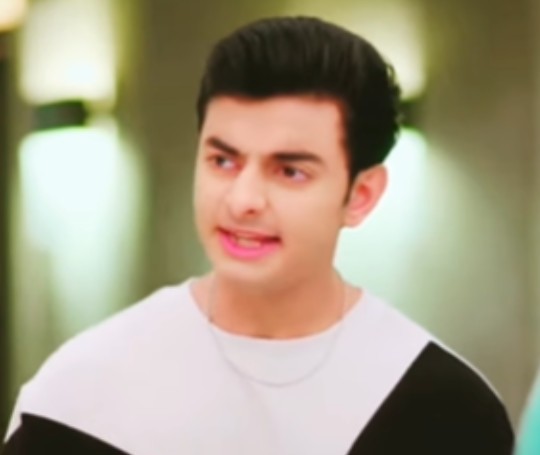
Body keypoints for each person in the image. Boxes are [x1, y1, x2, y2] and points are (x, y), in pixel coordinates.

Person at [2, 16, 514, 455]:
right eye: (223, 161)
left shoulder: (442, 409)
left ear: (361, 195)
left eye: (290, 171)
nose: (243, 199)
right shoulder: (80, 397)